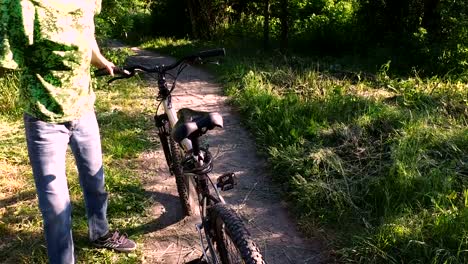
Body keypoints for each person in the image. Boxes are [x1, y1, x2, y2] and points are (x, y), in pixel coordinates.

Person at [0, 0, 136, 263]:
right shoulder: (21, 5)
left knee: (95, 181)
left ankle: (100, 233)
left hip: (84, 108)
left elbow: (86, 34)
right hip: (44, 117)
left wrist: (101, 61)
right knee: (55, 208)